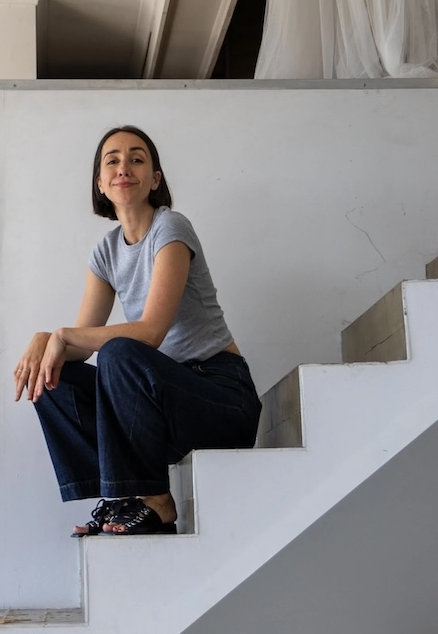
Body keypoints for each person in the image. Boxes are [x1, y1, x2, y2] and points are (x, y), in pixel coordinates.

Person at [13, 125, 261, 536]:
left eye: (136, 158)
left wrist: (64, 335)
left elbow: (151, 333)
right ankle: (120, 498)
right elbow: (78, 344)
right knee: (55, 376)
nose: (123, 167)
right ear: (100, 182)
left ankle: (158, 502)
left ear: (155, 179)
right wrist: (45, 340)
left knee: (120, 352)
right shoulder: (106, 252)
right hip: (162, 402)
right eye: (112, 160)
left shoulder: (171, 229)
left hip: (220, 396)